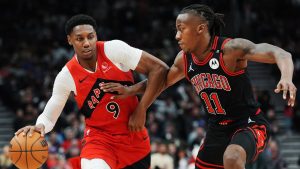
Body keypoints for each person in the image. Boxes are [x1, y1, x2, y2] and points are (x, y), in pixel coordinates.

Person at [100, 4, 297, 169]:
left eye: (181, 28)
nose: (177, 36)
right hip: (216, 129)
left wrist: (286, 77)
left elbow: (280, 54)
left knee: (233, 158)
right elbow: (161, 82)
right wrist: (131, 90)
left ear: (200, 29)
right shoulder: (184, 60)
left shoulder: (230, 50)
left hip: (248, 123)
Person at [15, 14, 168, 169]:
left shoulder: (114, 50)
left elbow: (160, 70)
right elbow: (50, 113)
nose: (86, 43)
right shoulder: (67, 75)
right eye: (80, 39)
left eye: (91, 37)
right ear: (70, 40)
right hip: (98, 139)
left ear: (96, 36)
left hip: (133, 138)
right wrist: (40, 125)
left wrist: (141, 108)